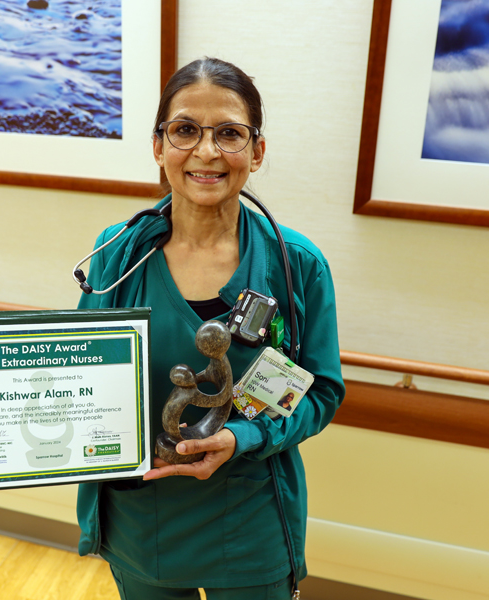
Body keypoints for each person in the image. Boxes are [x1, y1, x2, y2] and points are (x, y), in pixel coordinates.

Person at [76, 57, 345, 600]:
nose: (205, 152)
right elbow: (81, 370)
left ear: (256, 151)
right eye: (184, 131)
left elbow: (322, 392)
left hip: (249, 519)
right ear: (158, 147)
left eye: (228, 134)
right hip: (142, 516)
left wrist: (241, 436)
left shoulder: (296, 264)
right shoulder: (116, 254)